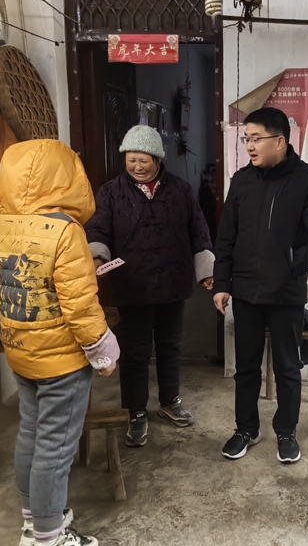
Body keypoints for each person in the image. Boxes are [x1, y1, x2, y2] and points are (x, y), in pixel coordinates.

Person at [0, 139, 120, 546]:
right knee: (55, 450)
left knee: (30, 433)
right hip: (63, 362)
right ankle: (48, 536)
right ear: (66, 179)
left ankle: (33, 521)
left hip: (20, 352)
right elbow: (81, 307)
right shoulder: (65, 231)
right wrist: (103, 353)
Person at [213, 107, 308, 464]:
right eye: (246, 138)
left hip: (285, 293)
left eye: (256, 138)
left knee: (287, 367)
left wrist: (290, 266)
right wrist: (222, 283)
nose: (249, 145)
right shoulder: (241, 182)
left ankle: (286, 431)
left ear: (280, 141)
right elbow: (226, 237)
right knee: (246, 367)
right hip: (246, 291)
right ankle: (246, 428)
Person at [85, 125, 214, 448]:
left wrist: (206, 271)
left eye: (144, 160)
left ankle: (170, 401)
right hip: (132, 284)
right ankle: (135, 411)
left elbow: (199, 231)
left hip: (172, 281)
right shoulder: (111, 192)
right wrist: (97, 257)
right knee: (136, 350)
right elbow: (98, 228)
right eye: (131, 160)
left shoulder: (180, 190)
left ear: (158, 159)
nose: (137, 166)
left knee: (170, 346)